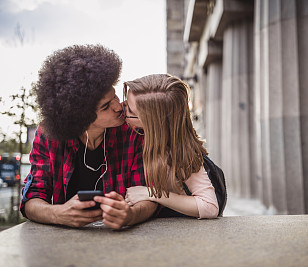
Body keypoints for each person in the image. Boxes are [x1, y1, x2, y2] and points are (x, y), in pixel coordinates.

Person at [20, 44, 157, 229]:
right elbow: (32, 199)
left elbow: (149, 194)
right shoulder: (48, 136)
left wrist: (131, 215)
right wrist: (58, 214)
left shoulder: (134, 129)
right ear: (80, 117)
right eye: (106, 106)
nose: (119, 106)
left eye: (115, 97)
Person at [123, 74, 219, 219]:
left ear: (151, 123)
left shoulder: (179, 152)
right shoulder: (130, 134)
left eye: (128, 110)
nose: (120, 108)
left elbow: (209, 206)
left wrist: (153, 193)